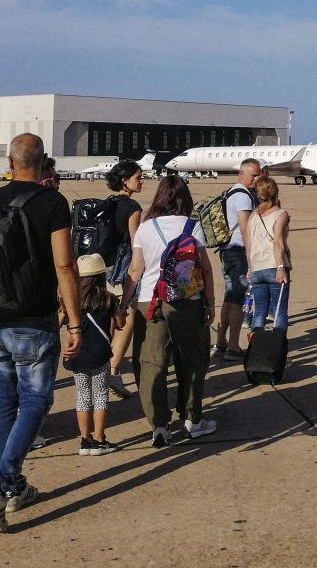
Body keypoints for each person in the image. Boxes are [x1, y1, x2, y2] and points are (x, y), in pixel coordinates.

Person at [0, 133, 81, 533]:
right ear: (44, 161)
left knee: (2, 401)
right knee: (36, 399)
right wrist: (76, 320)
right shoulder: (52, 202)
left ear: (9, 162)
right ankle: (0, 483)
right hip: (34, 318)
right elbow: (65, 266)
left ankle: (13, 488)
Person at [126, 174, 216, 447]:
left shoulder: (145, 228)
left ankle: (159, 425)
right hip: (188, 299)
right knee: (192, 359)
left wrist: (123, 303)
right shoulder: (193, 226)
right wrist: (210, 302)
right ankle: (191, 418)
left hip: (150, 300)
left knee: (151, 362)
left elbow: (135, 269)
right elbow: (205, 267)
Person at [66, 253, 121, 457]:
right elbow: (121, 324)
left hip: (78, 355)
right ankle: (100, 438)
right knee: (100, 396)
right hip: (100, 355)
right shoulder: (108, 299)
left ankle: (85, 440)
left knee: (82, 397)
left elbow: (61, 319)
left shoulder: (73, 300)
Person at [103, 160, 144, 400]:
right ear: (124, 181)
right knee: (126, 318)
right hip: (124, 270)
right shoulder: (132, 207)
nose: (142, 181)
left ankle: (102, 367)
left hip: (104, 268)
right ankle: (114, 369)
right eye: (138, 177)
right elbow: (135, 241)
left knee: (108, 319)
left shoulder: (106, 204)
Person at [214, 159, 260, 360]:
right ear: (242, 174)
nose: (257, 179)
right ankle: (233, 346)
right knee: (238, 299)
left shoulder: (232, 191)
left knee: (229, 296)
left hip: (227, 251)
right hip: (238, 251)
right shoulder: (243, 196)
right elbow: (244, 227)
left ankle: (222, 342)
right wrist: (251, 258)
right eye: (254, 175)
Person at [246, 176, 291, 334]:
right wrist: (280, 267)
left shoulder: (254, 216)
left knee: (259, 310)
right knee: (280, 310)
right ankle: (278, 349)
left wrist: (250, 269)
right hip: (273, 265)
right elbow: (277, 242)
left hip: (257, 267)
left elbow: (249, 245)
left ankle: (256, 347)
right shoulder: (280, 214)